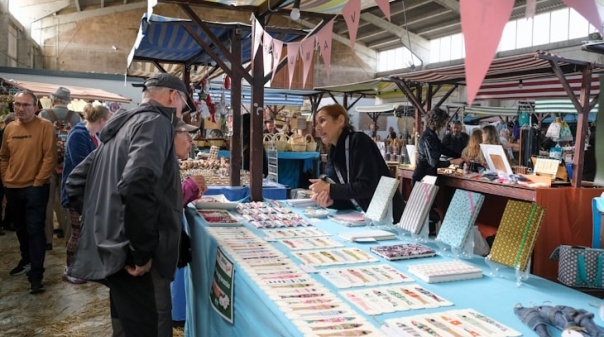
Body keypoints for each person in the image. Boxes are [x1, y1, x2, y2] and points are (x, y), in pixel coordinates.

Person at [64, 73, 191, 336]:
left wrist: (106, 226)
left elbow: (75, 183)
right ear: (172, 96)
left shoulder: (122, 126)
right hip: (136, 259)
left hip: (115, 250)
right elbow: (137, 183)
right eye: (183, 105)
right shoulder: (156, 123)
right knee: (149, 327)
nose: (181, 113)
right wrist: (140, 251)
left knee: (125, 327)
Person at [0, 90, 57, 294]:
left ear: (35, 107)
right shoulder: (9, 128)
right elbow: (4, 156)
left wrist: (38, 182)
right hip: (13, 187)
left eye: (25, 105)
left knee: (35, 230)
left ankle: (36, 275)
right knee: (21, 229)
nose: (20, 108)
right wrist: (6, 178)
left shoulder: (45, 127)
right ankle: (26, 260)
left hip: (35, 188)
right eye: (17, 104)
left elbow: (49, 157)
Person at [308, 104, 404, 224]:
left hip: (389, 219)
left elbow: (367, 187)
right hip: (365, 219)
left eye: (322, 121)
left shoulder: (359, 141)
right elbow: (350, 196)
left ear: (340, 121)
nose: (317, 127)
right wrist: (332, 201)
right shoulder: (334, 151)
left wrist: (329, 188)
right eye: (316, 123)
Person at [60, 103, 112, 285]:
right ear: (102, 120)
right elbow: (81, 166)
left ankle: (83, 268)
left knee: (84, 232)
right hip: (76, 193)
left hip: (88, 193)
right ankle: (70, 269)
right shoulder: (78, 135)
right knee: (77, 233)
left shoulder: (93, 135)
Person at [171, 119, 207, 329]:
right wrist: (190, 186)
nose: (190, 140)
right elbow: (165, 203)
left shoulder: (166, 160)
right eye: (186, 134)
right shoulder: (158, 161)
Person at [39, 86, 81, 248]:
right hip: (68, 166)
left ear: (53, 99)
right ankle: (69, 239)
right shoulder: (75, 117)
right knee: (67, 203)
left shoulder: (44, 115)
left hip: (47, 165)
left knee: (47, 204)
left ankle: (47, 240)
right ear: (68, 101)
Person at [412, 108, 462, 185]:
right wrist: (452, 161)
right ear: (438, 122)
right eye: (444, 122)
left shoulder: (431, 135)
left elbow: (443, 149)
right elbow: (434, 163)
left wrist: (460, 156)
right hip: (423, 178)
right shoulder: (429, 137)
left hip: (426, 175)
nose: (445, 124)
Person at [0, 113, 15, 235]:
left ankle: (8, 222)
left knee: (10, 198)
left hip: (10, 171)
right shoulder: (5, 134)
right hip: (6, 169)